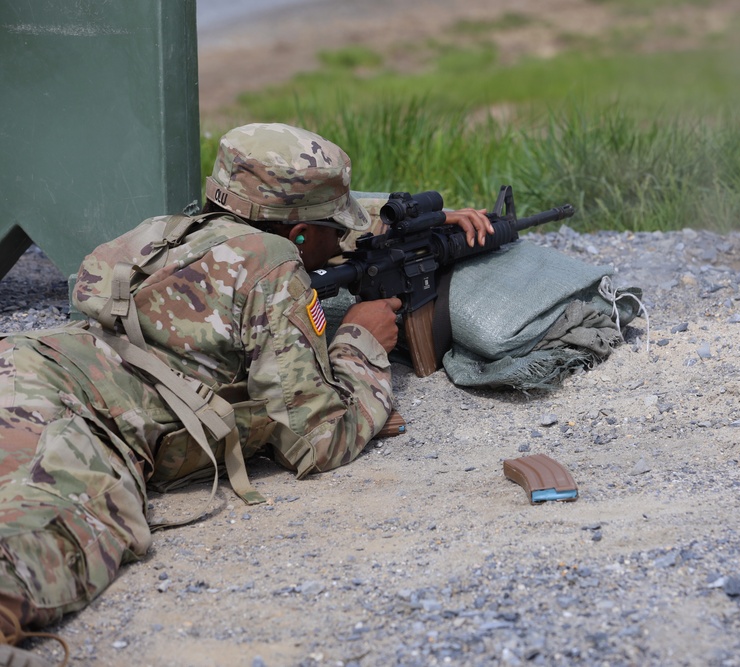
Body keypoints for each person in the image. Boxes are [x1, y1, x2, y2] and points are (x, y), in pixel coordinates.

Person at [0, 122, 492, 666]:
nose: (343, 235)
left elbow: (304, 232)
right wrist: (359, 342)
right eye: (335, 225)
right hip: (74, 417)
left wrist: (414, 225)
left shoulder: (169, 230)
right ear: (299, 234)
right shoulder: (273, 268)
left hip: (31, 361)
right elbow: (317, 439)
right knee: (46, 542)